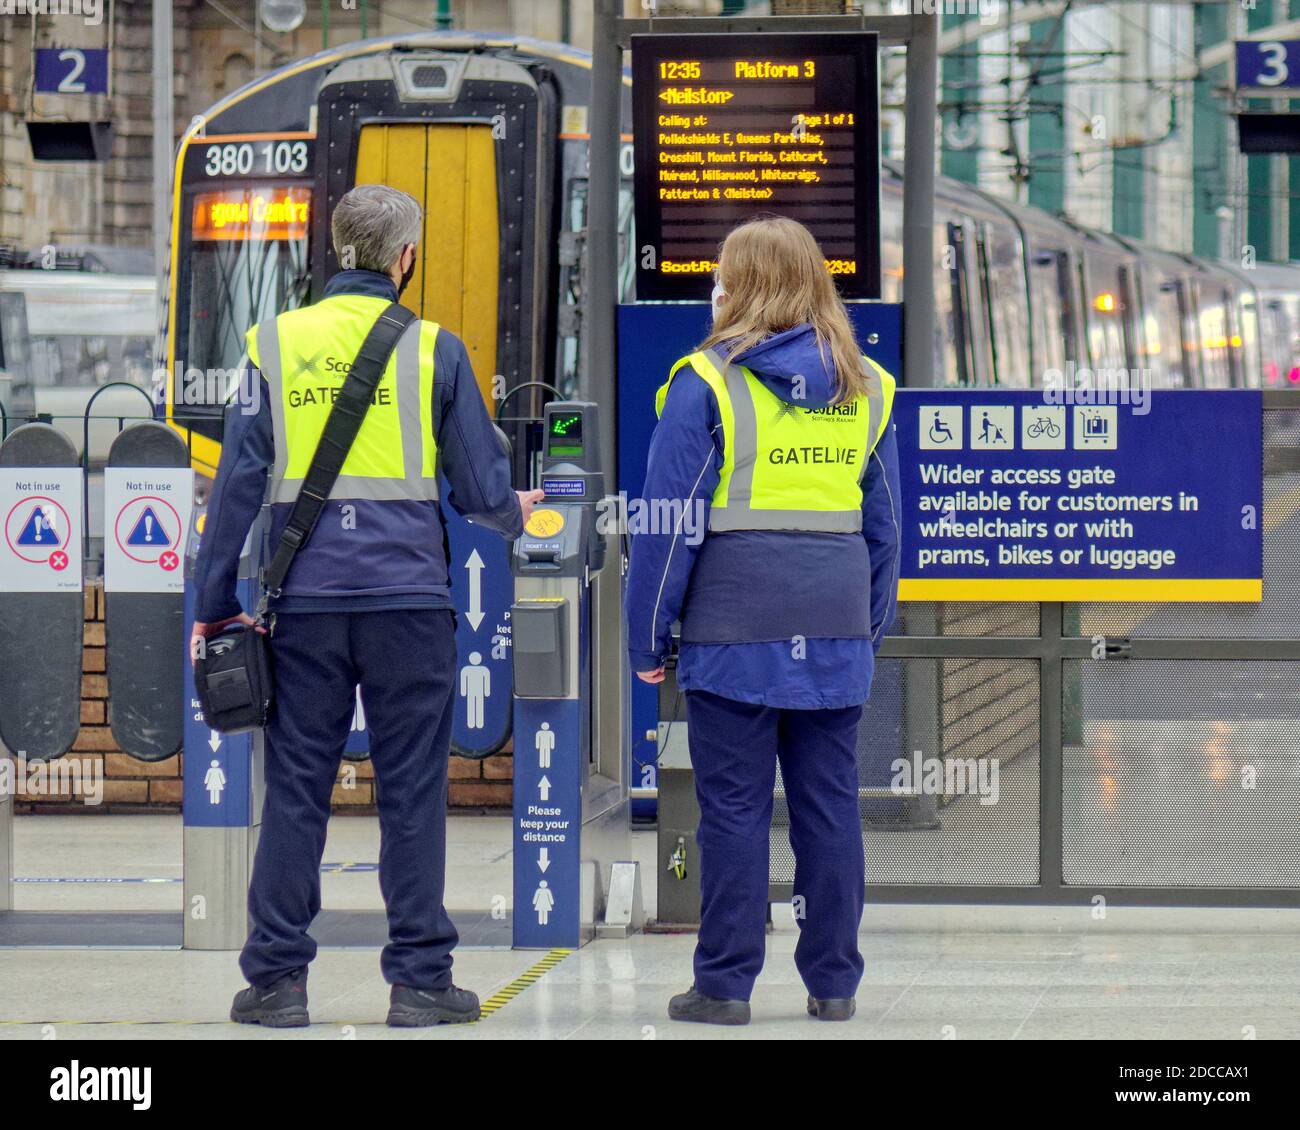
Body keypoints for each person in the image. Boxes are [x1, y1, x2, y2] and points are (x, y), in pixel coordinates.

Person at [190, 184, 543, 1028]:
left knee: (298, 792)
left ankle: (276, 981)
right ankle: (420, 981)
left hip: (301, 606)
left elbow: (236, 487)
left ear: (338, 250)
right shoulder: (435, 352)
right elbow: (480, 487)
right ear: (405, 258)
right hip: (410, 607)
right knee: (413, 792)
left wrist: (212, 604)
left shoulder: (274, 346)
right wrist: (515, 512)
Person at [625, 216, 902, 1025]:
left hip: (733, 631)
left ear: (737, 287)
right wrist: (863, 628)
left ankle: (724, 984)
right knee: (828, 807)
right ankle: (834, 982)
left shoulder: (705, 383)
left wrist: (649, 637)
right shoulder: (868, 389)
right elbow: (885, 531)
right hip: (834, 626)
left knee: (736, 812)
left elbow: (666, 525)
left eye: (720, 275)